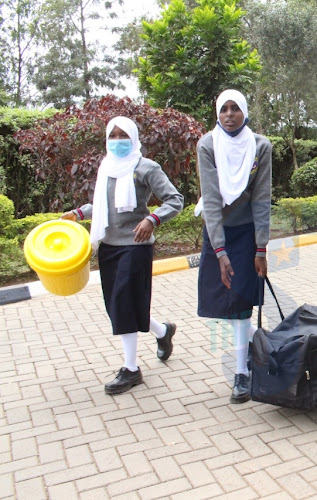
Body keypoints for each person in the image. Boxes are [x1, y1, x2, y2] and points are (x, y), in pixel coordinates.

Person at [62, 117, 184, 395]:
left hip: (136, 246)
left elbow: (175, 199)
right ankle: (163, 332)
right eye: (113, 135)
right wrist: (79, 213)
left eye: (123, 135)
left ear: (134, 137)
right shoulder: (107, 167)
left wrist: (153, 219)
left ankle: (131, 369)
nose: (117, 140)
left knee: (122, 302)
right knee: (124, 305)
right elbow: (106, 203)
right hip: (109, 245)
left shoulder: (145, 167)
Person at [196, 89, 272, 404]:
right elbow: (212, 199)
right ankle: (263, 346)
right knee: (223, 303)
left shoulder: (260, 146)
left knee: (241, 303)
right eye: (224, 109)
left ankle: (242, 372)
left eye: (235, 108)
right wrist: (220, 251)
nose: (229, 114)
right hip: (219, 232)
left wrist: (261, 248)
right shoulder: (207, 145)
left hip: (248, 233)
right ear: (218, 113)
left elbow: (261, 198)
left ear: (244, 112)